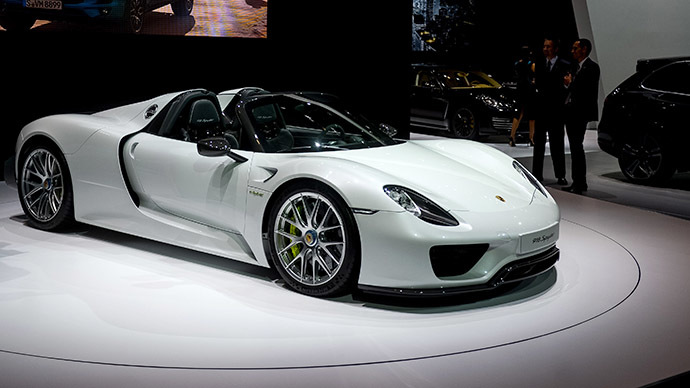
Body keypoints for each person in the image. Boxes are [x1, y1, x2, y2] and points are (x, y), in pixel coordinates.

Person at [562, 38, 600, 194]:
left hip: (581, 113)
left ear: (584, 49)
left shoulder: (592, 68)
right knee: (574, 147)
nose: (572, 51)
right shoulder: (574, 67)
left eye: (575, 48)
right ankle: (577, 181)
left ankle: (580, 182)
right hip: (571, 112)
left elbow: (585, 90)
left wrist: (571, 83)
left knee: (577, 147)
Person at [532, 38, 570, 184]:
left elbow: (566, 87)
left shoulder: (564, 65)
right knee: (539, 144)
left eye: (548, 46)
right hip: (542, 111)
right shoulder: (540, 65)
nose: (545, 49)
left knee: (557, 145)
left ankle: (560, 175)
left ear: (555, 49)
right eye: (544, 46)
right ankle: (536, 175)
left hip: (556, 111)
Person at [509, 45, 536, 147]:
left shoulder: (517, 64)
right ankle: (531, 138)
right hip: (529, 90)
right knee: (531, 116)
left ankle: (512, 136)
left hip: (520, 89)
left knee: (518, 114)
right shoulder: (531, 64)